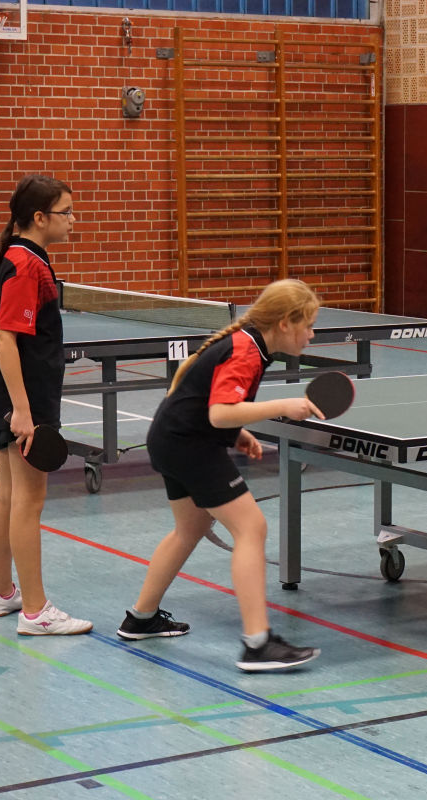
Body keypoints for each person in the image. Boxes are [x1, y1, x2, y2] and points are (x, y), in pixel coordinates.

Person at [117, 279, 324, 672]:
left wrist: (237, 433)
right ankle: (258, 643)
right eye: (308, 325)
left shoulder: (249, 344)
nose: (312, 334)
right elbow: (219, 412)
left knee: (189, 528)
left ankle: (141, 618)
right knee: (252, 528)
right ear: (284, 323)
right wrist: (281, 406)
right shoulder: (246, 349)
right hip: (188, 445)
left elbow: (208, 402)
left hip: (169, 438)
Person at [0, 175, 92, 635]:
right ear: (40, 217)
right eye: (66, 212)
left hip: (5, 393)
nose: (73, 219)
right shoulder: (26, 265)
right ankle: (35, 611)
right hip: (22, 397)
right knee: (29, 500)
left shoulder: (18, 255)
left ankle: (3, 593)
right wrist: (24, 410)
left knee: (9, 494)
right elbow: (5, 338)